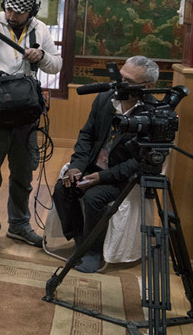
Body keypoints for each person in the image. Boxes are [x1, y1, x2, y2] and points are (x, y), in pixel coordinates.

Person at [0, 0, 62, 254]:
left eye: (19, 12)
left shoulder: (40, 29)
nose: (12, 16)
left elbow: (56, 65)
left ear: (32, 11)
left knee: (23, 174)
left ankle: (19, 225)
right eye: (9, 9)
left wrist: (43, 56)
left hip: (25, 114)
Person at [52, 56, 159, 273]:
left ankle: (93, 252)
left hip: (121, 176)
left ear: (146, 86)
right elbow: (86, 136)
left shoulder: (153, 113)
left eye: (127, 80)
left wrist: (102, 177)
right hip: (94, 167)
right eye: (120, 76)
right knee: (63, 188)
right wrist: (77, 166)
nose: (119, 83)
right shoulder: (105, 99)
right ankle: (80, 242)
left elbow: (140, 162)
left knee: (94, 197)